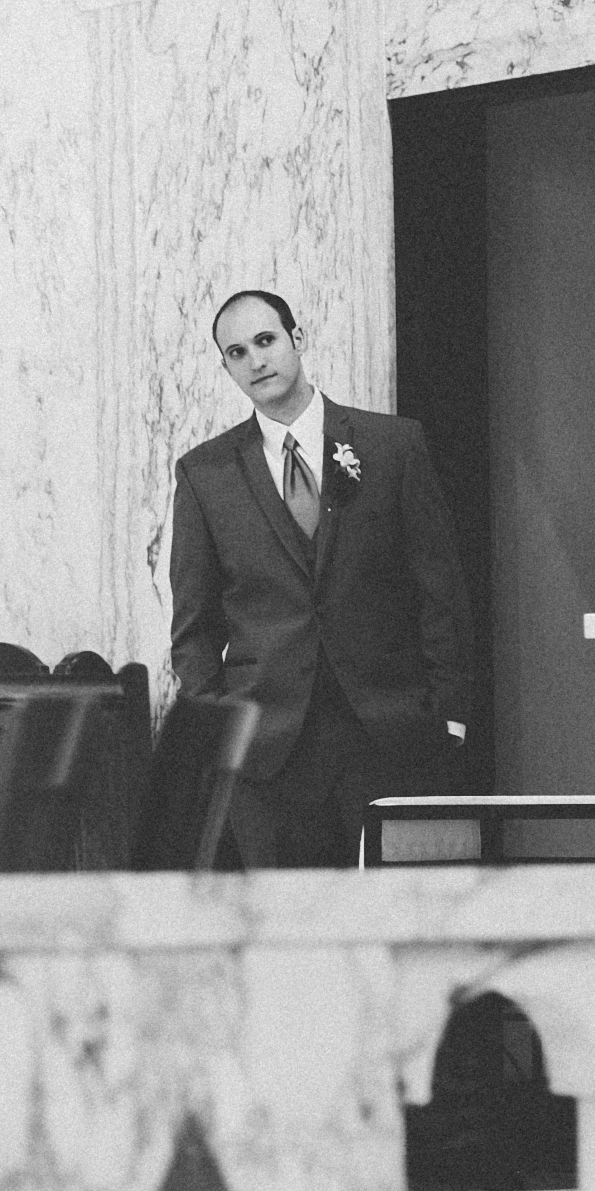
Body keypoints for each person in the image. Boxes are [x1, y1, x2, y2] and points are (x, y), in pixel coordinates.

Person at [167, 288, 471, 867]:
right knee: (291, 936)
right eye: (236, 352)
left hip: (387, 731)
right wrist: (218, 733)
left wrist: (450, 711)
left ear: (296, 339)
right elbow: (193, 624)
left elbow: (440, 590)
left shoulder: (391, 446)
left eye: (266, 340)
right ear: (226, 367)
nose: (256, 361)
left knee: (395, 921)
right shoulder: (206, 474)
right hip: (267, 752)